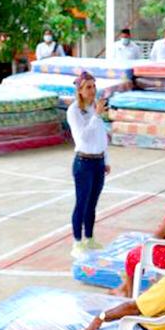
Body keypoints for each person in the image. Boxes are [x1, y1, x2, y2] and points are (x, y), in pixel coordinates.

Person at [67, 72, 110, 257]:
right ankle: (77, 242)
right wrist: (96, 116)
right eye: (88, 87)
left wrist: (106, 159)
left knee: (92, 204)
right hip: (84, 162)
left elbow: (101, 136)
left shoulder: (93, 107)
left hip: (98, 161)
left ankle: (89, 238)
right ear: (80, 90)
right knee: (82, 203)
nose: (92, 90)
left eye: (94, 86)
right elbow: (83, 137)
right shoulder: (74, 111)